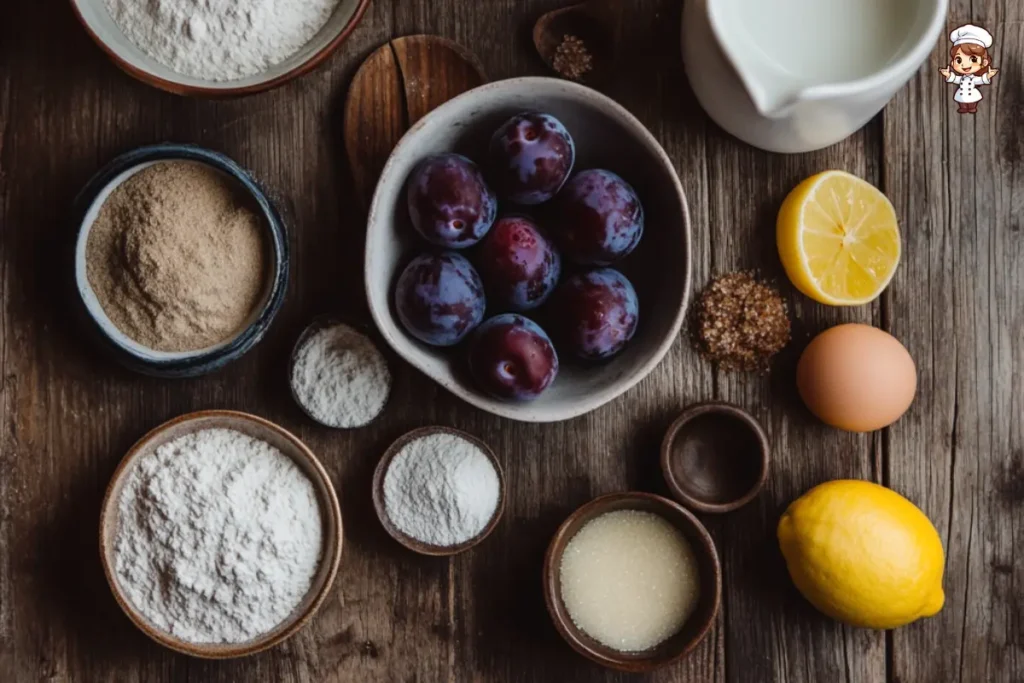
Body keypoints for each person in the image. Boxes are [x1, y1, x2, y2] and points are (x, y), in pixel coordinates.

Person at [939, 24, 999, 114]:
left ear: (984, 62)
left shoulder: (974, 79)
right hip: (962, 94)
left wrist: (988, 75)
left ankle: (971, 107)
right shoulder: (961, 78)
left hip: (971, 94)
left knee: (972, 101)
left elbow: (980, 80)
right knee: (961, 101)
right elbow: (956, 79)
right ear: (952, 63)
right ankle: (963, 107)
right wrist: (948, 75)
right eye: (959, 60)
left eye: (973, 59)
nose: (965, 65)